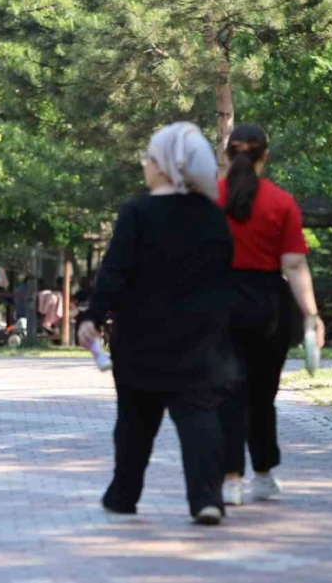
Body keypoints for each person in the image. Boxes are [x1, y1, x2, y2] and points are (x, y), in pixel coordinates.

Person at [77, 122, 235, 525]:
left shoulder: (137, 213)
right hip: (200, 340)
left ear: (165, 165)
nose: (144, 163)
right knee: (200, 418)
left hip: (141, 339)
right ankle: (206, 498)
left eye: (149, 157)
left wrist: (93, 316)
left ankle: (123, 495)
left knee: (134, 422)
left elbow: (114, 272)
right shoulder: (214, 218)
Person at [215, 124, 324, 507]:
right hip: (268, 305)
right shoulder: (281, 202)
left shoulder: (209, 199)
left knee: (226, 392)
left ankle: (229, 479)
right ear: (265, 156)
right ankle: (262, 473)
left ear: (227, 154)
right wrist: (311, 315)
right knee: (263, 394)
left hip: (219, 302)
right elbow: (294, 265)